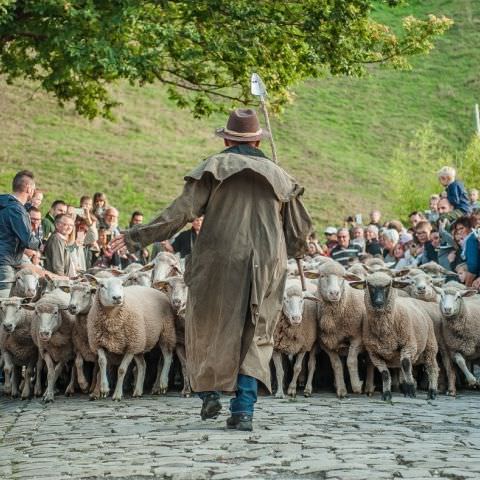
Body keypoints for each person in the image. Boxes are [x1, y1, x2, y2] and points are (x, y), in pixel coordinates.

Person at [110, 108, 312, 431]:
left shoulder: (215, 167)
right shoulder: (280, 176)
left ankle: (210, 392)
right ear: (258, 141)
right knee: (257, 330)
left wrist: (137, 237)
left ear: (228, 139)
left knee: (210, 323)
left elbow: (180, 213)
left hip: (221, 257)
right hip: (269, 261)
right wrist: (298, 249)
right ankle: (244, 409)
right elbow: (299, 230)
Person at [0, 170, 40, 297]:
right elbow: (28, 240)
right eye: (33, 188)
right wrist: (40, 243)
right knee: (5, 302)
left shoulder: (5, 204)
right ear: (28, 188)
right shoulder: (16, 210)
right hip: (4, 261)